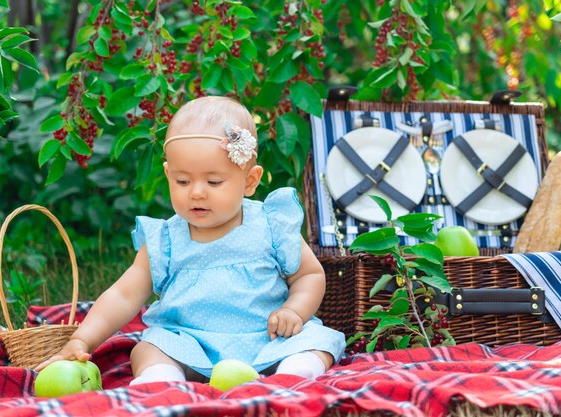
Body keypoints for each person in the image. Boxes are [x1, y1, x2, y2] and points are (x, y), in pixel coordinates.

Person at [36, 96, 346, 384]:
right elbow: (123, 295)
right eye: (182, 181)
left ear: (249, 181)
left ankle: (295, 373)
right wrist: (81, 339)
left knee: (317, 340)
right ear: (169, 174)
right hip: (189, 344)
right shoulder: (165, 240)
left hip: (268, 341)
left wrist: (295, 310)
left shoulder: (270, 225)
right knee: (147, 347)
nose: (196, 192)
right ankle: (161, 378)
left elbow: (308, 274)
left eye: (213, 181)